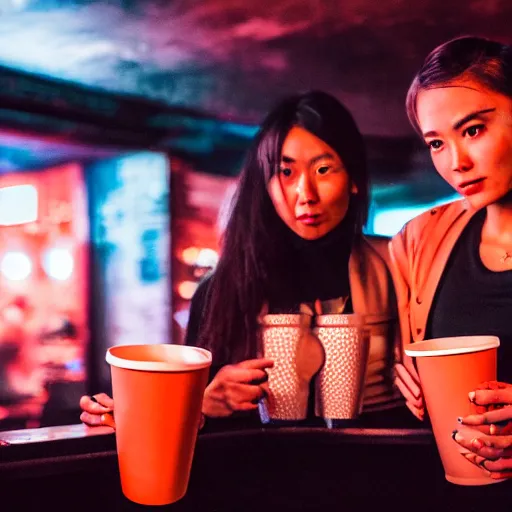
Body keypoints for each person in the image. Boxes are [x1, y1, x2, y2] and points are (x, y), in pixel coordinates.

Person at [80, 90, 405, 431]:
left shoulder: (396, 264)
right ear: (265, 183)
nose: (305, 194)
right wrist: (204, 401)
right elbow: (191, 424)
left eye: (323, 169)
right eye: (286, 172)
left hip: (377, 472)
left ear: (353, 179)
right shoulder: (223, 288)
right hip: (260, 478)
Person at [390, 35, 512, 480]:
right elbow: (408, 355)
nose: (455, 162)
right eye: (436, 143)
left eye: (473, 130)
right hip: (450, 487)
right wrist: (409, 381)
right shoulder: (417, 241)